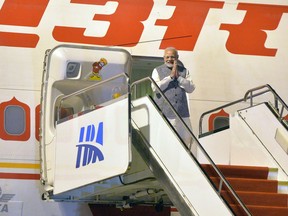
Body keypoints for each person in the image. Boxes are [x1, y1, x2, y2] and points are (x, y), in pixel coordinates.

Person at [151, 47, 196, 153]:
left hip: (182, 113)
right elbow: (155, 88)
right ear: (164, 58)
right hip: (165, 113)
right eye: (167, 57)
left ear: (177, 58)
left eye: (172, 57)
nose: (169, 59)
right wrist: (170, 78)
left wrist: (179, 78)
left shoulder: (184, 71)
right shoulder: (157, 70)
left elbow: (191, 88)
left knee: (185, 140)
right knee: (165, 141)